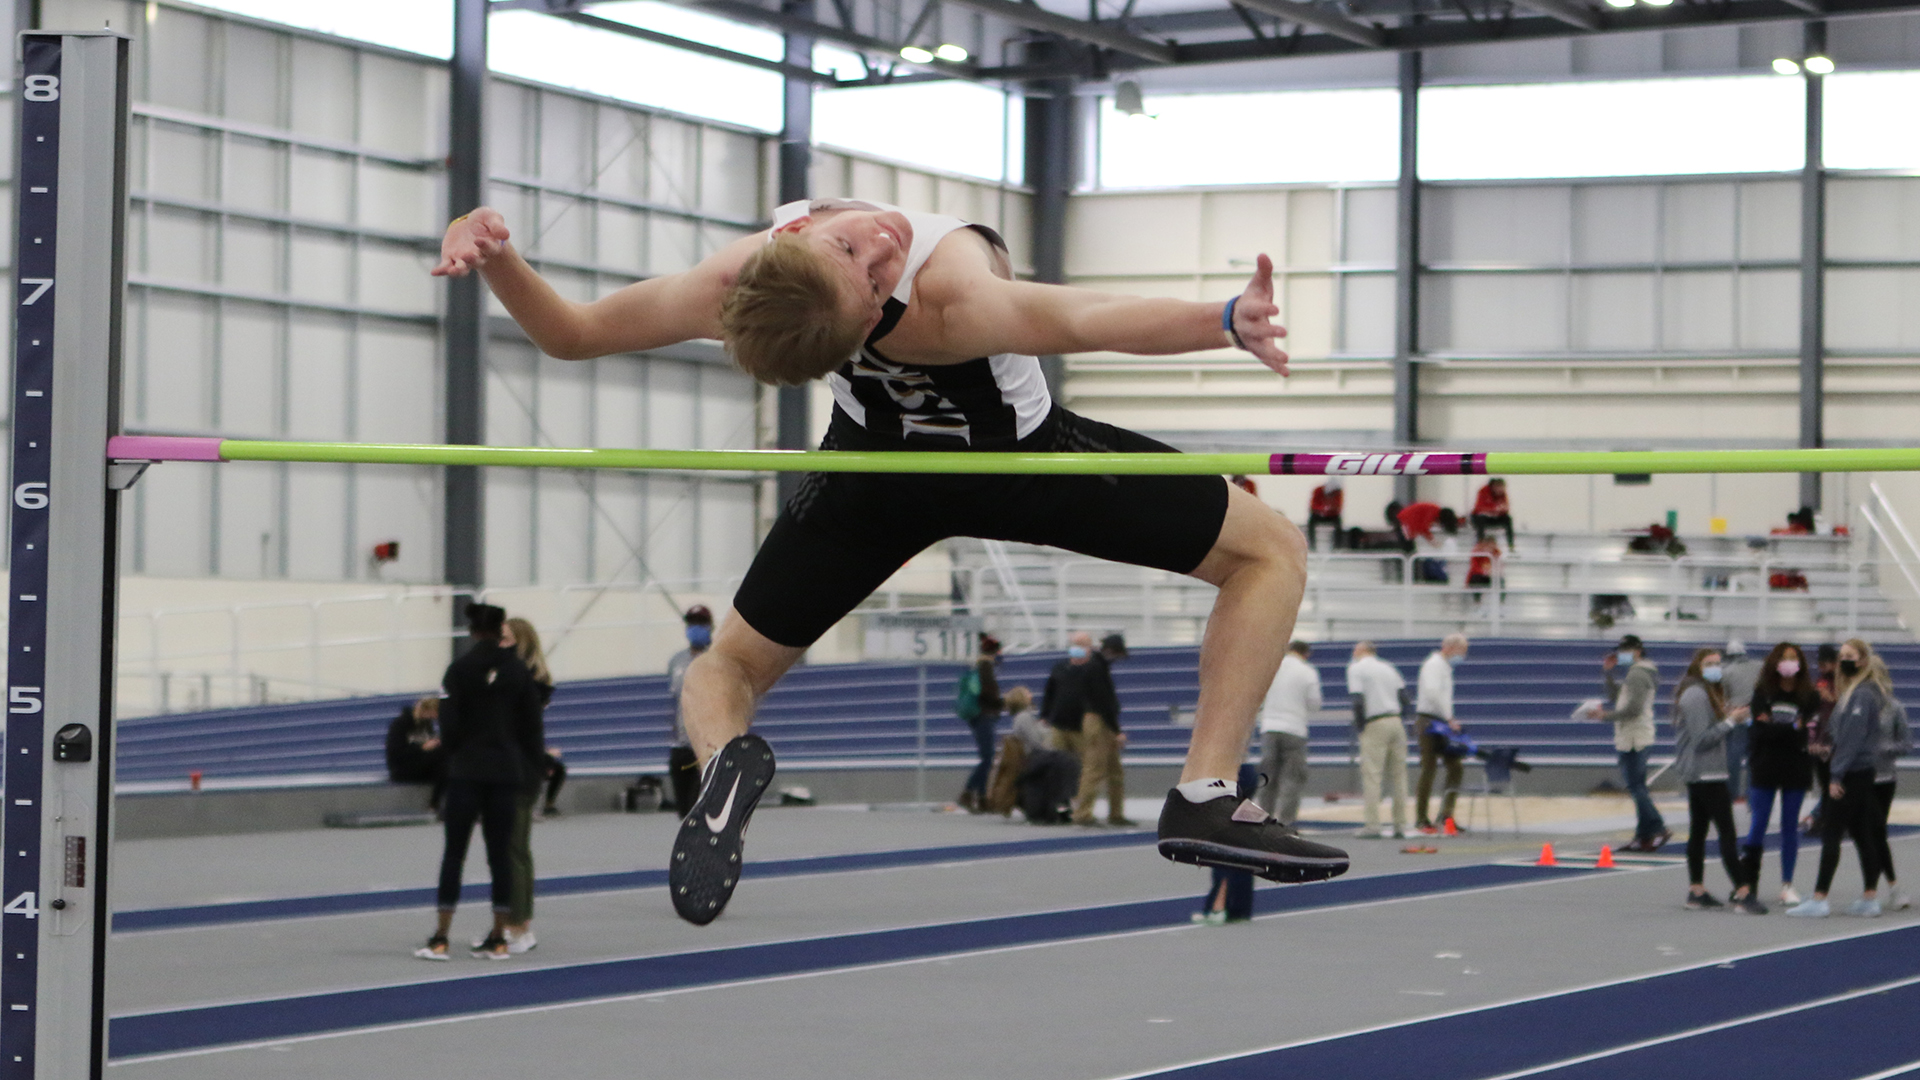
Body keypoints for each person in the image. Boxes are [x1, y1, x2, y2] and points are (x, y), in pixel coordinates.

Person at [436, 196, 1348, 925]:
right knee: (1269, 550)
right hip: (1011, 465)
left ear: (787, 237)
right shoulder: (950, 297)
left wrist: (498, 259)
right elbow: (1088, 317)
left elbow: (572, 335)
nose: (878, 250)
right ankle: (1205, 792)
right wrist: (1221, 318)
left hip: (874, 468)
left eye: (857, 258)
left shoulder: (737, 283)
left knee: (729, 666)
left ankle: (719, 759)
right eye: (872, 289)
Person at [413, 603, 546, 960]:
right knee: (500, 855)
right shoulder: (518, 672)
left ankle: (441, 937)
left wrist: (457, 753)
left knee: (454, 853)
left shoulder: (458, 670)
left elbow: (450, 725)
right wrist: (529, 767)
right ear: (499, 630)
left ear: (473, 631)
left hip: (467, 771)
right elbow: (532, 728)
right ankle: (499, 938)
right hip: (504, 772)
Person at [1787, 639, 1893, 918]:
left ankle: (1821, 897)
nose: (1844, 660)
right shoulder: (1853, 692)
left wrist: (1836, 774)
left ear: (1862, 661)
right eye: (1842, 655)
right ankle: (1870, 896)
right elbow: (1838, 730)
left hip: (1853, 771)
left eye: (1850, 656)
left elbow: (1852, 739)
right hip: (1857, 768)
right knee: (1860, 830)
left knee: (1832, 830)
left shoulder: (1862, 695)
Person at [1671, 647, 1764, 913]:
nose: (1716, 668)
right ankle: (1743, 890)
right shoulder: (1696, 694)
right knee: (1726, 832)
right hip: (1706, 772)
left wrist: (1726, 716)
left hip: (1705, 771)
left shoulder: (1702, 693)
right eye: (1709, 663)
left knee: (1699, 831)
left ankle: (1696, 890)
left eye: (1718, 663)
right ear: (1698, 667)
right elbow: (1703, 739)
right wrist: (1731, 722)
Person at [1743, 642, 1819, 905]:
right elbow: (1761, 732)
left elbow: (1805, 731)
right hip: (1764, 765)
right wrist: (1791, 729)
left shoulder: (1809, 695)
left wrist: (1779, 729)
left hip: (1796, 767)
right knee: (1758, 824)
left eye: (1793, 658)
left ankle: (1787, 884)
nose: (1789, 663)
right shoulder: (1762, 692)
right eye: (1784, 658)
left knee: (1790, 826)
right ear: (1775, 663)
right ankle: (1748, 882)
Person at [500, 616, 556, 955]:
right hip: (512, 769)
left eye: (506, 639)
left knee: (514, 851)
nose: (500, 643)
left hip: (520, 772)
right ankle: (513, 923)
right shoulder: (517, 680)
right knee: (512, 850)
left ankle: (520, 927)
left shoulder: (528, 683)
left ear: (521, 642)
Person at [1043, 632, 1129, 827]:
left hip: (1088, 723)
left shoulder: (1094, 666)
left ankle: (1114, 813)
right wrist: (1116, 730)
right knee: (1093, 769)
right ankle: (1082, 813)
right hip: (1092, 723)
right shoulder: (1094, 668)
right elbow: (1103, 702)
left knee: (1108, 770)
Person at [1592, 635, 1670, 853]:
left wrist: (1603, 716)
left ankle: (1658, 828)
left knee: (1636, 787)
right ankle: (1643, 836)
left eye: (1624, 650)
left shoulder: (1637, 673)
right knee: (1638, 787)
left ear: (1637, 650)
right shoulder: (1639, 672)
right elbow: (1618, 698)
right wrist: (1608, 673)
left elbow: (1632, 710)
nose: (1621, 654)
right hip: (1635, 735)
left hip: (1634, 737)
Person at [1347, 641, 1409, 840]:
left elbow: (1357, 700)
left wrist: (1360, 726)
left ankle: (1373, 825)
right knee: (1399, 775)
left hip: (1375, 722)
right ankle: (1400, 825)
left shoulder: (1356, 668)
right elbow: (1405, 698)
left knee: (1373, 775)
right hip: (1396, 721)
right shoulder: (1389, 668)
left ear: (1361, 651)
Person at [1255, 641, 1320, 826]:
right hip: (1294, 729)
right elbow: (1314, 704)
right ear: (1306, 654)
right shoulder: (1308, 671)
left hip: (1269, 727)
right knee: (1292, 778)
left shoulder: (1270, 668)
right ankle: (1285, 823)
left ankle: (1262, 821)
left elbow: (1258, 696)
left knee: (1268, 777)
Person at [1414, 634, 1470, 835]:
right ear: (1450, 648)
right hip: (1429, 720)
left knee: (1455, 766)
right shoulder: (1433, 665)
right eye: (1462, 651)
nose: (1463, 655)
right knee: (1428, 768)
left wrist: (1448, 718)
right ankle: (1421, 818)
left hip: (1441, 720)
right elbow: (1432, 693)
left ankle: (1446, 815)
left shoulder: (1445, 667)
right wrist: (1449, 718)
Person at [1003, 685, 1079, 824]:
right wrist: (1046, 734)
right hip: (1034, 757)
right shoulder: (1024, 717)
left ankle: (1062, 803)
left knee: (1064, 762)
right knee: (1069, 761)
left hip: (1036, 756)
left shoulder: (1025, 716)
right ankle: (1064, 800)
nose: (1030, 694)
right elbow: (1036, 742)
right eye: (1027, 693)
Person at [664, 604, 712, 815]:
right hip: (681, 743)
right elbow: (675, 699)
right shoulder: (677, 661)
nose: (696, 628)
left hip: (708, 743)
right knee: (684, 811)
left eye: (701, 624)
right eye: (692, 624)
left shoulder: (719, 657)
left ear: (710, 626)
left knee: (701, 806)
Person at [1870, 667, 1911, 912]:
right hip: (1861, 776)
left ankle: (1889, 887)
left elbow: (1906, 743)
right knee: (1870, 833)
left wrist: (1885, 748)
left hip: (1885, 778)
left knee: (1876, 832)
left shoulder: (1894, 707)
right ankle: (1873, 889)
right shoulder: (1857, 705)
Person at [955, 634, 1005, 813]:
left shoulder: (978, 665)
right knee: (988, 757)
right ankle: (968, 793)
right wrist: (1002, 702)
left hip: (978, 715)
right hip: (984, 715)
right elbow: (988, 693)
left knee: (987, 757)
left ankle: (982, 798)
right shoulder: (985, 666)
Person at [386, 694, 447, 810]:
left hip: (420, 764)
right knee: (442, 759)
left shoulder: (426, 725)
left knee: (446, 763)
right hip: (403, 767)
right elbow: (396, 751)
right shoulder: (400, 724)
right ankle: (434, 803)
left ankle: (437, 802)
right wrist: (422, 748)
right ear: (427, 710)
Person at [1804, 642, 1841, 836]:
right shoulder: (1820, 681)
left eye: (1826, 663)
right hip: (1821, 738)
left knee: (1837, 783)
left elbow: (1845, 708)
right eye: (1820, 664)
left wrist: (1832, 698)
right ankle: (1822, 819)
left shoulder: (1842, 681)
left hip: (1837, 738)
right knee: (1825, 784)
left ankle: (1834, 822)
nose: (1822, 668)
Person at [1720, 639, 1762, 800]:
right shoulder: (1758, 667)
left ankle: (1732, 793)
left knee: (1733, 757)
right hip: (1755, 716)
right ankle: (1753, 795)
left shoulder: (1726, 671)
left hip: (1736, 717)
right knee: (1754, 757)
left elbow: (1723, 697)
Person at [1470, 478, 1514, 550]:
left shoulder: (1502, 494)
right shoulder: (1483, 491)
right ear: (1494, 487)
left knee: (1508, 519)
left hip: (1494, 517)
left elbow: (1505, 507)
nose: (1501, 490)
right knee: (1481, 520)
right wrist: (1494, 508)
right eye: (1499, 488)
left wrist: (1501, 509)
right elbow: (1479, 507)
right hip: (1481, 517)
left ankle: (1511, 545)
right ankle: (1480, 544)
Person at [1306, 477, 1343, 551]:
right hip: (1318, 515)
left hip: (1331, 515)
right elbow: (1313, 505)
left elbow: (1338, 506)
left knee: (1338, 523)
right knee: (1311, 523)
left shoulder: (1338, 493)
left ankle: (1337, 547)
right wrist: (1322, 509)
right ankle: (1312, 546)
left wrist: (1328, 510)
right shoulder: (1318, 490)